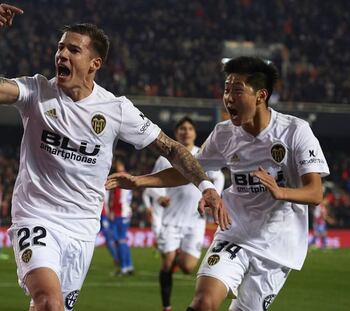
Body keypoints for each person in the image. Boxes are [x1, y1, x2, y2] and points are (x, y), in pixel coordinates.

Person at [0, 4, 229, 311]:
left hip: (82, 228)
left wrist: (207, 187)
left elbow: (171, 148)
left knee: (56, 306)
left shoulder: (116, 109)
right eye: (60, 48)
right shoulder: (36, 91)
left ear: (94, 63)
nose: (61, 55)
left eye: (73, 50)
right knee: (48, 301)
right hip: (36, 217)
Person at [106, 56, 329, 311]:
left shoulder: (295, 131)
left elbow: (315, 192)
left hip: (275, 245)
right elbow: (189, 170)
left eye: (237, 90)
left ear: (261, 95)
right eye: (226, 89)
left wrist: (280, 192)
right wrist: (139, 181)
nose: (228, 98)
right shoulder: (224, 133)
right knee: (203, 303)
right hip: (233, 233)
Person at [150, 117, 225, 311]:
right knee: (166, 263)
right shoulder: (164, 158)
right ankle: (166, 306)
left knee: (188, 266)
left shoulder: (203, 155)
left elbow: (218, 177)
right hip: (171, 220)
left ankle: (176, 255)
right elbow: (153, 184)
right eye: (182, 128)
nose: (186, 131)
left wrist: (214, 197)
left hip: (195, 221)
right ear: (176, 133)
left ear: (194, 132)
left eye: (189, 128)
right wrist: (159, 197)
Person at [108, 157, 134, 275]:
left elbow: (118, 197)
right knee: (122, 241)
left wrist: (113, 211)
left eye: (117, 165)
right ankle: (128, 266)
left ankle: (124, 267)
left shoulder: (121, 178)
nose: (115, 167)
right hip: (125, 212)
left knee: (120, 241)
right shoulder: (128, 177)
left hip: (120, 213)